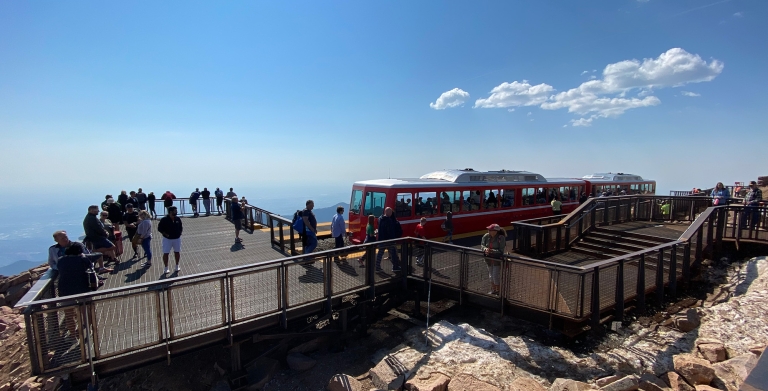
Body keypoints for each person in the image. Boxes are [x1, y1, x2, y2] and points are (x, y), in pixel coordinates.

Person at [57, 244, 101, 336]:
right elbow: (99, 254)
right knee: (86, 311)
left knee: (69, 315)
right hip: (83, 289)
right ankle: (90, 331)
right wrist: (84, 256)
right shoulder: (83, 259)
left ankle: (73, 336)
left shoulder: (60, 260)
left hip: (65, 290)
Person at [82, 205, 115, 273]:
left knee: (100, 254)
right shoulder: (92, 219)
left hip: (93, 237)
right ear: (91, 210)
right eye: (97, 210)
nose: (98, 211)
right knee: (112, 247)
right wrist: (105, 233)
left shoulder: (89, 217)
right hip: (98, 237)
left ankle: (101, 267)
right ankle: (94, 251)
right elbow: (98, 228)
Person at [481, 224, 506, 295]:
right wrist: (485, 249)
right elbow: (482, 245)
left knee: (495, 276)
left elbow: (501, 251)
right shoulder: (486, 236)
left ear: (495, 231)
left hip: (497, 260)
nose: (488, 231)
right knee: (491, 276)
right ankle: (493, 290)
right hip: (488, 259)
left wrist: (491, 251)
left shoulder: (501, 238)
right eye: (488, 229)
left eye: (490, 230)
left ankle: (499, 291)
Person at [157, 206, 183, 274]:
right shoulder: (164, 219)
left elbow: (180, 227)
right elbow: (159, 228)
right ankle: (166, 267)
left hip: (177, 238)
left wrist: (180, 233)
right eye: (175, 211)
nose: (176, 212)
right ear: (170, 212)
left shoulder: (178, 219)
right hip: (167, 239)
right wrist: (165, 234)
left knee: (177, 252)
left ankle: (177, 265)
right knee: (166, 253)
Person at [376, 207, 402, 272]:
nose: (391, 213)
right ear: (388, 212)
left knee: (380, 254)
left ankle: (377, 267)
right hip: (389, 240)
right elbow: (390, 231)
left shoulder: (380, 218)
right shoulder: (389, 220)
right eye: (390, 212)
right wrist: (393, 238)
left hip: (381, 239)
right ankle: (395, 267)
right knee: (393, 254)